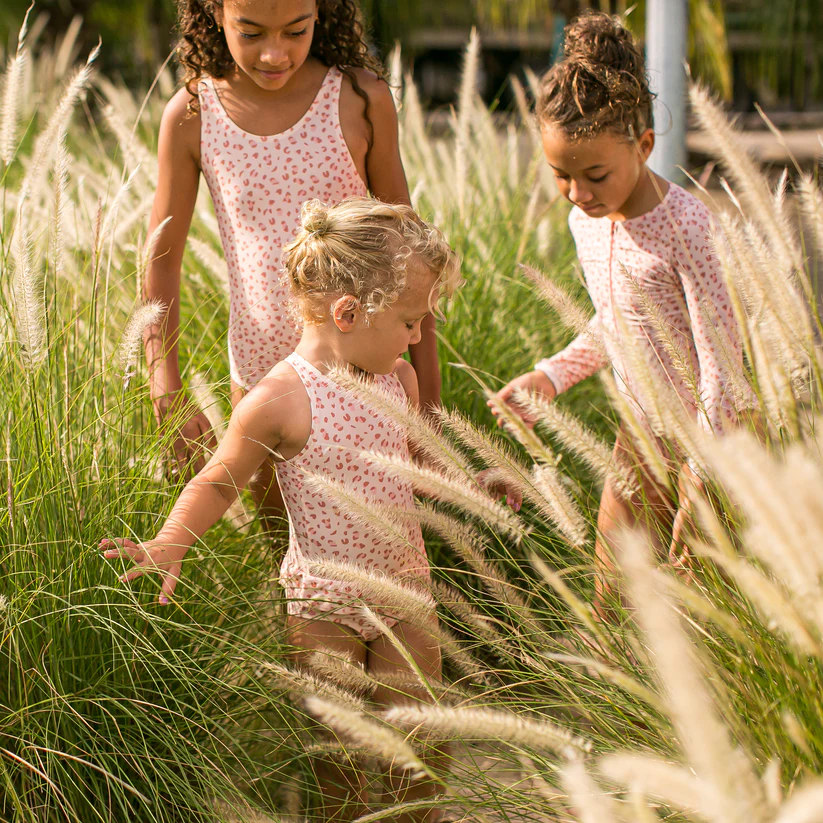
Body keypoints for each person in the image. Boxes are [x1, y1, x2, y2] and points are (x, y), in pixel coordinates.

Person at [102, 197, 462, 822]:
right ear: (348, 313)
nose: (416, 337)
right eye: (410, 322)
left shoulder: (397, 381)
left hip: (404, 590)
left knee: (421, 750)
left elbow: (419, 470)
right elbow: (219, 483)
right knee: (339, 763)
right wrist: (171, 540)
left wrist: (472, 481)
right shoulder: (278, 400)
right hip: (324, 606)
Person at [491, 12, 747, 613]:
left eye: (596, 174)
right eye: (561, 176)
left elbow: (721, 367)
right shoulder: (586, 221)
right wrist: (551, 376)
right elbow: (618, 324)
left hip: (711, 439)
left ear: (644, 146)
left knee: (702, 606)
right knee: (612, 595)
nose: (578, 194)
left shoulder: (687, 227)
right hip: (639, 434)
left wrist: (702, 476)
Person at [145, 0, 439, 518]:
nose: (274, 54)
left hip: (365, 370)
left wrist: (429, 403)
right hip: (261, 378)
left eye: (296, 31)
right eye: (251, 33)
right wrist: (164, 385)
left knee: (379, 538)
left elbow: (412, 257)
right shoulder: (193, 115)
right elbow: (161, 261)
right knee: (286, 546)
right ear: (215, 12)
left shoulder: (360, 99)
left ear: (319, 12)